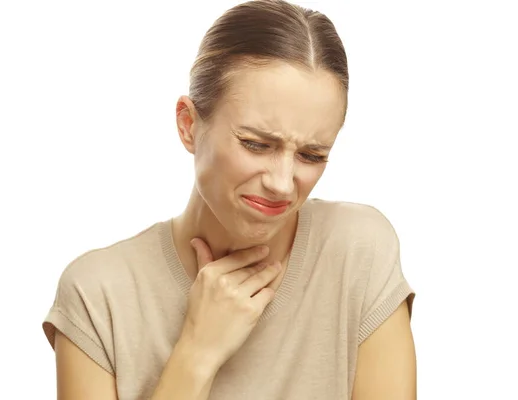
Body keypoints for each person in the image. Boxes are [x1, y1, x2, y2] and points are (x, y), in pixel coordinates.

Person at [42, 0, 417, 398]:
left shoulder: (358, 252)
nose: (282, 184)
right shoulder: (98, 295)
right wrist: (197, 352)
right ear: (188, 125)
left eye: (311, 155)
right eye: (256, 144)